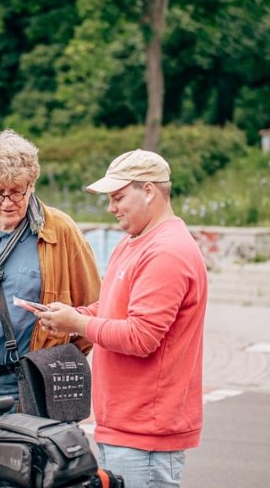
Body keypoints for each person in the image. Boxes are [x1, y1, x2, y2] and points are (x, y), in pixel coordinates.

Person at [37, 149, 208, 488]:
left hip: (146, 431)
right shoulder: (135, 242)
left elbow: (140, 337)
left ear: (148, 190)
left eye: (118, 197)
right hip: (127, 425)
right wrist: (71, 317)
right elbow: (113, 309)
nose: (111, 208)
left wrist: (77, 324)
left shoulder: (167, 251)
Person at [0, 129, 101, 411]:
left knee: (23, 457)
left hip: (26, 380)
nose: (7, 203)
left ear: (32, 185)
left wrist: (56, 361)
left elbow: (95, 306)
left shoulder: (59, 230)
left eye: (16, 192)